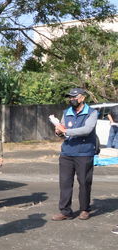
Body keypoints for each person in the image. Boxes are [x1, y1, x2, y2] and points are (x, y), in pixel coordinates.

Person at [52, 88, 98, 221]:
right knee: (65, 183)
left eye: (74, 97)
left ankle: (84, 209)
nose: (72, 99)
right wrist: (58, 131)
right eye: (70, 97)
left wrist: (66, 131)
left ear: (82, 98)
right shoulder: (66, 112)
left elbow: (87, 130)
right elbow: (61, 129)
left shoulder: (92, 112)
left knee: (84, 182)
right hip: (67, 152)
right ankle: (65, 211)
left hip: (84, 153)